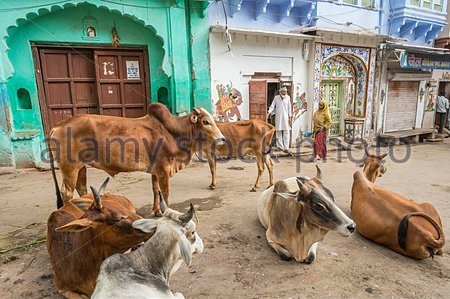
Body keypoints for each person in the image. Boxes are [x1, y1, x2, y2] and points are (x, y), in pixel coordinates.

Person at [268, 86, 292, 151]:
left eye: (286, 91)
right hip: (278, 117)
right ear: (280, 91)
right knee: (278, 132)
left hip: (286, 118)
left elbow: (289, 108)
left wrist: (290, 117)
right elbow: (272, 106)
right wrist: (269, 112)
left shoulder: (288, 97)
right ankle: (280, 146)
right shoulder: (276, 98)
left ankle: (286, 147)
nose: (285, 92)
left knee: (286, 132)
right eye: (284, 91)